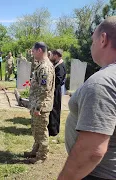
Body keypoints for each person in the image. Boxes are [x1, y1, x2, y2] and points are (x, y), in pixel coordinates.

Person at [58, 16, 116, 180]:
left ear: (103, 39)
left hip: (98, 174)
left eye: (93, 41)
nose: (92, 46)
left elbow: (91, 152)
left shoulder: (102, 83)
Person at [24, 42, 55, 164]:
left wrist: (38, 107)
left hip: (41, 106)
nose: (32, 53)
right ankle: (36, 151)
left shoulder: (45, 67)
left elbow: (44, 89)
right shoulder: (41, 65)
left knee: (41, 131)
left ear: (40, 51)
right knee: (36, 129)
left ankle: (42, 156)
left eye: (33, 51)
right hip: (37, 104)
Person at [48, 49, 66, 137]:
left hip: (56, 90)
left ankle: (54, 130)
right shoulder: (57, 64)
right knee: (52, 109)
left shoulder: (60, 66)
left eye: (52, 55)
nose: (51, 56)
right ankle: (51, 128)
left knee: (55, 109)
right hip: (54, 89)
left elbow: (59, 79)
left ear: (56, 55)